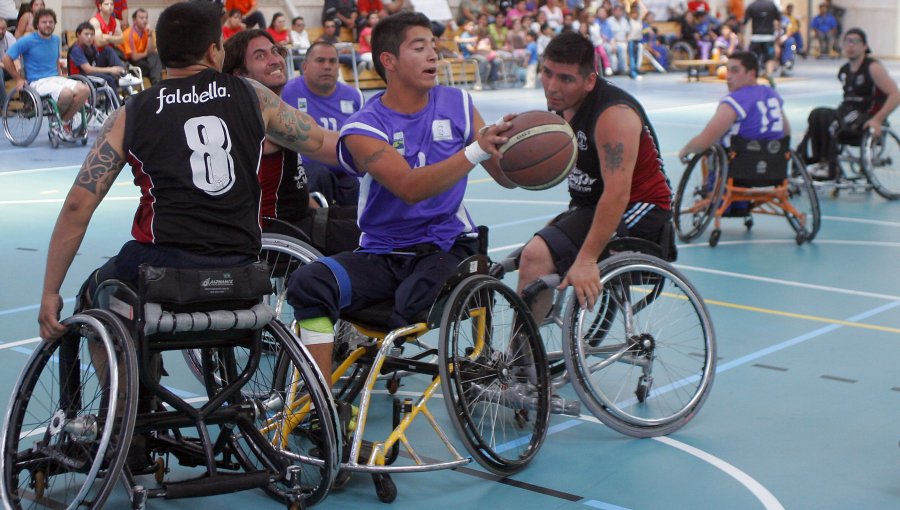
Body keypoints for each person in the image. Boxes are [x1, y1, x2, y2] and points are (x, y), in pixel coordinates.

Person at [284, 11, 515, 385]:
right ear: (388, 61)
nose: (433, 56)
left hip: (448, 246)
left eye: (434, 47)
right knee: (309, 283)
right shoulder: (364, 126)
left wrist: (520, 151)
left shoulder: (457, 103)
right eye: (419, 47)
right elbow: (409, 187)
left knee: (410, 303)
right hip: (383, 255)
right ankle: (320, 397)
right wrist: (476, 150)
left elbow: (506, 179)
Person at [516, 31, 673, 328]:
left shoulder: (614, 116)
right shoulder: (561, 103)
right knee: (527, 258)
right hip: (591, 204)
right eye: (547, 73)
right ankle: (525, 355)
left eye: (565, 78)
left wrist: (587, 259)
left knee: (536, 256)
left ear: (589, 80)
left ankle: (522, 369)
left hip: (642, 208)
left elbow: (617, 194)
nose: (552, 86)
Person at [224, 31, 361, 255]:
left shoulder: (258, 111)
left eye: (275, 51)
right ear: (240, 74)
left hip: (296, 217)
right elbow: (338, 148)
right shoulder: (259, 114)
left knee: (366, 214)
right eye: (260, 56)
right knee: (383, 229)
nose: (275, 59)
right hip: (280, 231)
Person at [804, 28, 900, 180]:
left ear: (865, 46)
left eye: (855, 42)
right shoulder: (844, 71)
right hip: (847, 112)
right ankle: (820, 161)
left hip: (866, 115)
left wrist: (877, 119)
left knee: (832, 120)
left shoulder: (873, 68)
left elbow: (896, 95)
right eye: (847, 41)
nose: (850, 46)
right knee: (817, 114)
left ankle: (830, 166)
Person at [282, 42, 365, 207]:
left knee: (354, 184)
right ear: (305, 66)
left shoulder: (355, 96)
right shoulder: (286, 93)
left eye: (333, 61)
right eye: (320, 60)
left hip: (344, 170)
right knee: (320, 174)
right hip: (304, 172)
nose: (327, 66)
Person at [678, 50, 790, 163]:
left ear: (751, 74)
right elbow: (786, 132)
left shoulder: (735, 100)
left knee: (711, 152)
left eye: (735, 71)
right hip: (775, 165)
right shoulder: (772, 94)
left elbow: (705, 140)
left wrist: (685, 150)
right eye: (728, 70)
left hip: (740, 166)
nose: (728, 76)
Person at [3, 8, 91, 141]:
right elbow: (6, 59)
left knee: (84, 89)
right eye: (44, 22)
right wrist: (18, 78)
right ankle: (60, 124)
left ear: (54, 24)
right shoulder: (27, 41)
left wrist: (61, 76)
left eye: (51, 22)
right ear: (37, 24)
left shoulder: (55, 40)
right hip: (38, 82)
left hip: (55, 79)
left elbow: (55, 61)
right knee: (66, 93)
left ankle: (63, 123)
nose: (48, 24)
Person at [68, 21, 126, 92]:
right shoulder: (76, 49)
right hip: (80, 77)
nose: (89, 37)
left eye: (92, 34)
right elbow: (88, 69)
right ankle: (117, 103)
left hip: (90, 72)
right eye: (86, 34)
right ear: (78, 34)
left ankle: (123, 74)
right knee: (108, 79)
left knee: (108, 50)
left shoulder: (90, 46)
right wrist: (111, 69)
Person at [120, 8, 162, 85]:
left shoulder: (146, 31)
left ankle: (157, 81)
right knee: (154, 65)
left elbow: (151, 51)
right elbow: (134, 57)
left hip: (143, 59)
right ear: (134, 20)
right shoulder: (129, 34)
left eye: (146, 18)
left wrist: (149, 35)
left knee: (156, 56)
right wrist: (146, 53)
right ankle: (157, 82)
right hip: (131, 63)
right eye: (141, 18)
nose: (145, 20)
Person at [742, 0, 780, 82]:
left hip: (756, 37)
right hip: (769, 36)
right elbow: (778, 20)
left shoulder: (752, 6)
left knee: (754, 57)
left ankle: (753, 78)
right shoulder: (772, 5)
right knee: (769, 58)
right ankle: (769, 75)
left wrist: (741, 36)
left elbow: (744, 22)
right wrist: (778, 36)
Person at [0, 17, 15, 107]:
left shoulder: (9, 37)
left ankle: (28, 104)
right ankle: (4, 106)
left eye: (3, 29)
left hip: (8, 67)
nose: (1, 31)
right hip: (3, 68)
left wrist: (18, 65)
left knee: (25, 65)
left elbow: (16, 55)